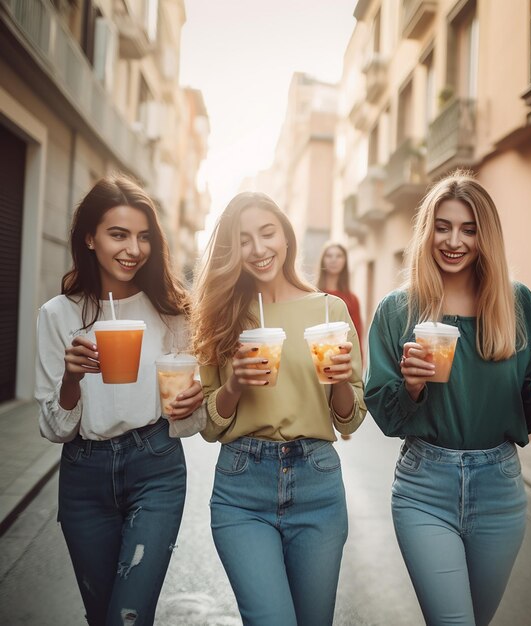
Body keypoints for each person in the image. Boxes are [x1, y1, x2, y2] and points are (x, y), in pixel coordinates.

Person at [364, 171, 531, 626]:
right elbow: (383, 413)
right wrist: (411, 387)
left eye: (469, 228)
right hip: (425, 486)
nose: (454, 241)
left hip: (499, 486)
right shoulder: (397, 310)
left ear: (486, 236)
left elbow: (527, 405)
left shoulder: (516, 303)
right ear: (427, 231)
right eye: (442, 226)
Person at [35, 174, 205, 626]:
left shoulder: (172, 312)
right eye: (118, 234)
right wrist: (72, 379)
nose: (133, 248)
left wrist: (192, 403)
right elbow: (55, 429)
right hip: (83, 474)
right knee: (101, 616)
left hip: (156, 467)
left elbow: (189, 424)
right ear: (89, 238)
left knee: (128, 617)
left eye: (144, 236)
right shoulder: (57, 315)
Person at [191, 191, 366, 626]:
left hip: (317, 483)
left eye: (267, 233)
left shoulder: (330, 310)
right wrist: (234, 384)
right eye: (244, 239)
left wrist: (340, 376)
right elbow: (209, 427)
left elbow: (351, 418)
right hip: (241, 486)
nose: (258, 248)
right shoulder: (222, 313)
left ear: (286, 237)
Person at [316, 241, 363, 347]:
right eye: (329, 256)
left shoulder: (352, 299)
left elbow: (356, 336)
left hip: (342, 356)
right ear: (322, 260)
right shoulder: (312, 295)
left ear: (345, 261)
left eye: (339, 256)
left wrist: (358, 362)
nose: (334, 260)